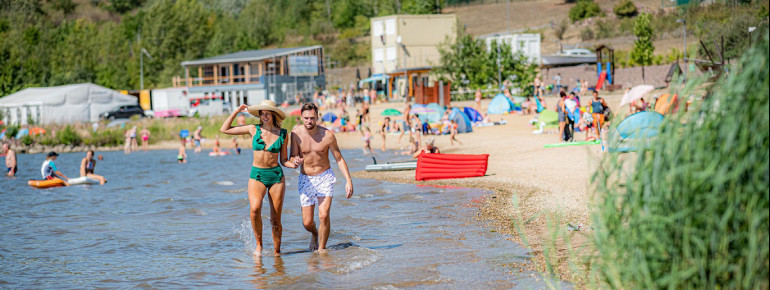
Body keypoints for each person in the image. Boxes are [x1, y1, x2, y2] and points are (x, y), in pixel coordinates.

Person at [220, 100, 300, 257]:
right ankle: (259, 245)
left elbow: (284, 160)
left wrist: (294, 164)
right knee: (255, 209)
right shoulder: (252, 129)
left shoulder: (283, 133)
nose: (264, 115)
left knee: (275, 218)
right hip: (257, 175)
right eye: (262, 113)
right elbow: (225, 129)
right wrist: (237, 111)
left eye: (267, 113)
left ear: (273, 114)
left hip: (276, 176)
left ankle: (277, 252)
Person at [289, 103, 353, 253]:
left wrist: (348, 180)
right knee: (307, 222)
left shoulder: (328, 135)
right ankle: (314, 233)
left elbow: (339, 159)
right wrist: (295, 160)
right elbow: (293, 156)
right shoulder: (296, 134)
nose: (309, 121)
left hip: (325, 177)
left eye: (312, 118)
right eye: (306, 118)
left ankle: (322, 250)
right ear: (301, 118)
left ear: (317, 117)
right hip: (306, 179)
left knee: (324, 215)